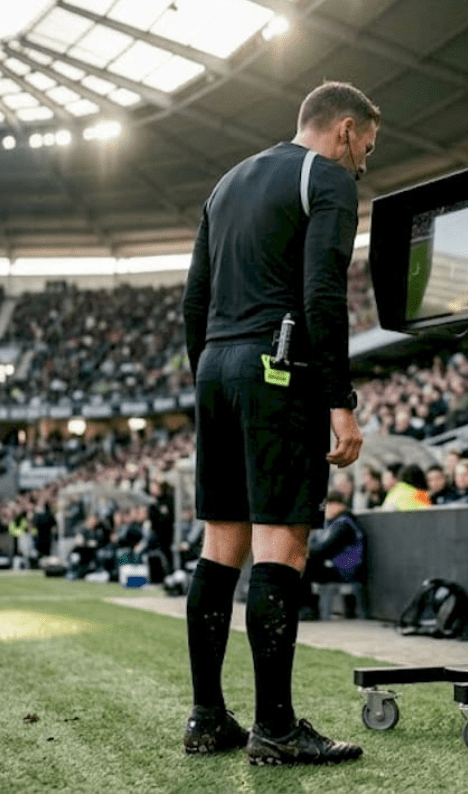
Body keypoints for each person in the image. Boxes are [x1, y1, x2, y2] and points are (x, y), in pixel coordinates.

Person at [179, 80, 376, 766]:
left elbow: (193, 298)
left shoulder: (227, 183)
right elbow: (324, 294)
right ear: (345, 129)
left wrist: (210, 375)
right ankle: (277, 728)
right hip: (277, 368)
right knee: (281, 547)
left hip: (215, 367)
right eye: (366, 151)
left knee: (219, 546)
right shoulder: (326, 179)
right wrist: (340, 401)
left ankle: (207, 719)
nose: (361, 166)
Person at [301, 490, 366, 620]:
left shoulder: (345, 524)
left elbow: (324, 549)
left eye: (328, 505)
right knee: (301, 563)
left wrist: (303, 551)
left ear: (339, 505)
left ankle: (308, 609)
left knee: (304, 564)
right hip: (331, 567)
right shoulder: (329, 524)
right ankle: (304, 607)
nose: (325, 510)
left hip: (344, 570)